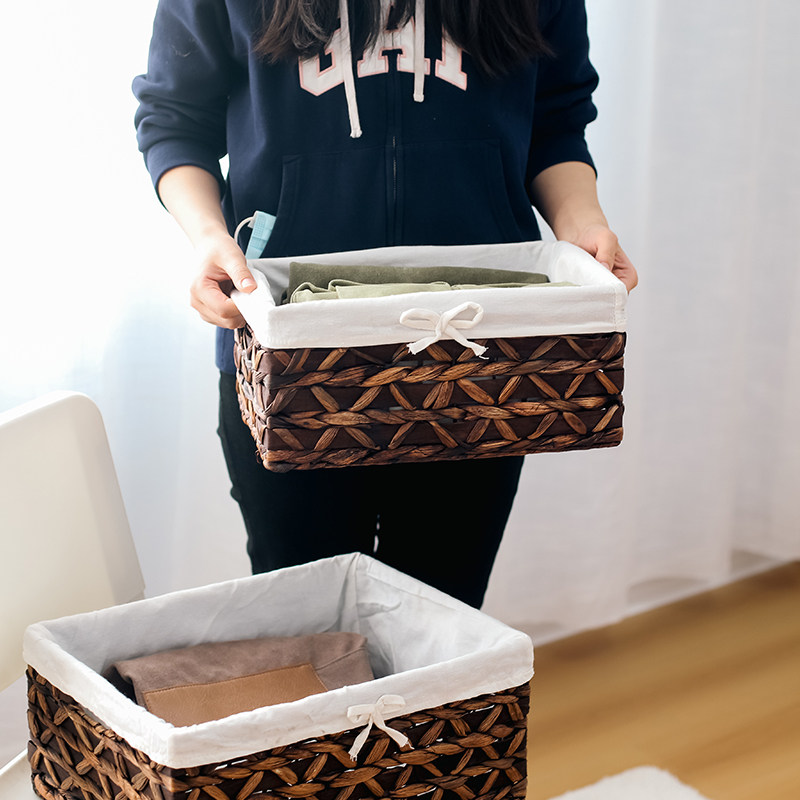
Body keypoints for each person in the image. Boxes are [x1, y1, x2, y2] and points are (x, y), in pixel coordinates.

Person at [133, 0, 637, 609]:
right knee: (309, 623)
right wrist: (210, 238)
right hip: (290, 354)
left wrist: (583, 224)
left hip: (477, 352)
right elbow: (175, 120)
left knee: (442, 616)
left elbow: (555, 119)